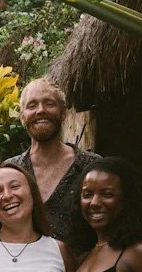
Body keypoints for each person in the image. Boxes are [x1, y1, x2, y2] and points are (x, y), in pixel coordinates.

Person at [7, 78, 95, 251]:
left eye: (49, 103)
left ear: (63, 113)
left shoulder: (91, 167)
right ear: (22, 116)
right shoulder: (10, 171)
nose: (40, 110)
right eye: (32, 105)